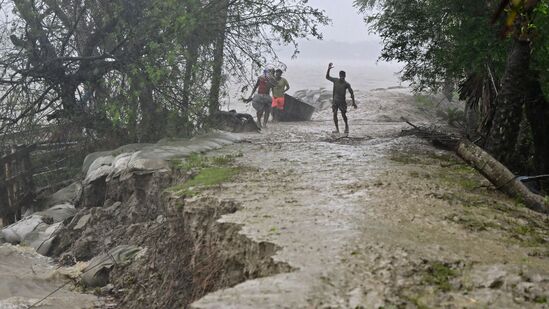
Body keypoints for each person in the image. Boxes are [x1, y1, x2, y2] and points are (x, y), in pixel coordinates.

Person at [326, 62, 356, 134]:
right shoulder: (335, 80)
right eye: (341, 76)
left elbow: (351, 93)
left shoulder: (346, 84)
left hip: (342, 102)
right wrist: (328, 69)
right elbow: (327, 77)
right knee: (335, 114)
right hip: (335, 101)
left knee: (343, 114)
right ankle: (337, 129)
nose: (342, 77)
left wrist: (354, 102)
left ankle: (346, 126)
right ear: (339, 76)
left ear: (345, 76)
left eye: (343, 76)